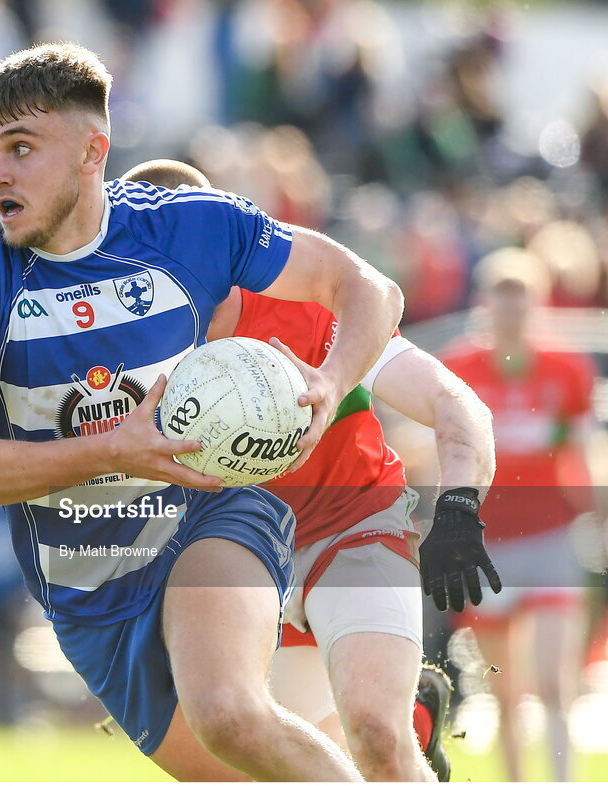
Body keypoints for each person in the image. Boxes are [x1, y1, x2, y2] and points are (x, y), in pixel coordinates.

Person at [0, 43, 405, 781]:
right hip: (86, 574)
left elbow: (369, 288)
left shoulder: (190, 227)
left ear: (92, 152)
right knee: (240, 768)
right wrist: (115, 449)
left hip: (208, 510)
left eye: (20, 148)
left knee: (229, 712)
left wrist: (329, 385)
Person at [125, 158, 498, 781]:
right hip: (231, 560)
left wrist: (460, 508)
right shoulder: (118, 346)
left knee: (375, 740)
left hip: (348, 525)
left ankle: (403, 726)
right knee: (288, 761)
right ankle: (417, 721)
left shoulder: (306, 306)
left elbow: (450, 400)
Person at [442, 247, 601, 781]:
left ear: (537, 305)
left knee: (557, 684)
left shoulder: (566, 370)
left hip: (552, 537)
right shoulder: (458, 370)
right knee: (506, 693)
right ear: (484, 304)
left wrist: (599, 512)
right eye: (502, 303)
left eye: (522, 303)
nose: (511, 315)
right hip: (488, 546)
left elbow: (582, 451)